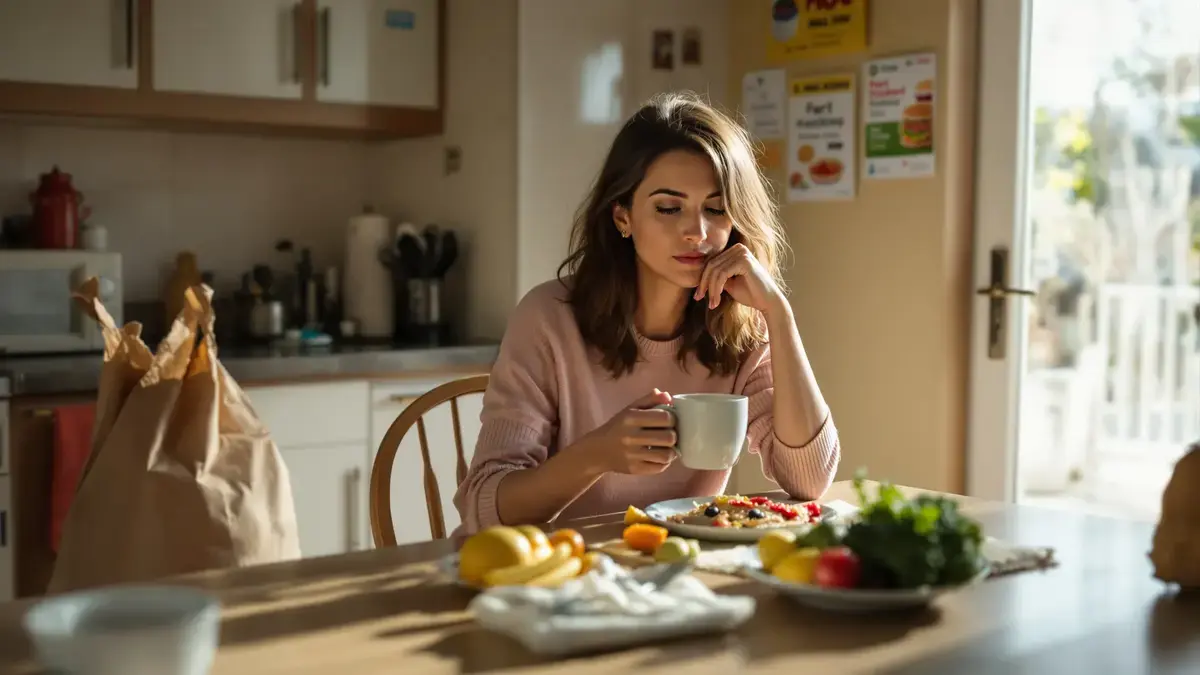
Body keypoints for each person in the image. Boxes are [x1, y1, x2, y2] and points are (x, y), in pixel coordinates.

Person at [453, 92, 839, 534]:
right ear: (623, 217)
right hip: (556, 566)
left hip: (671, 566)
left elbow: (809, 480)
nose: (696, 232)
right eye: (669, 208)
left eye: (716, 209)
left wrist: (779, 314)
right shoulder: (547, 319)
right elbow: (485, 507)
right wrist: (597, 454)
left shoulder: (740, 326)